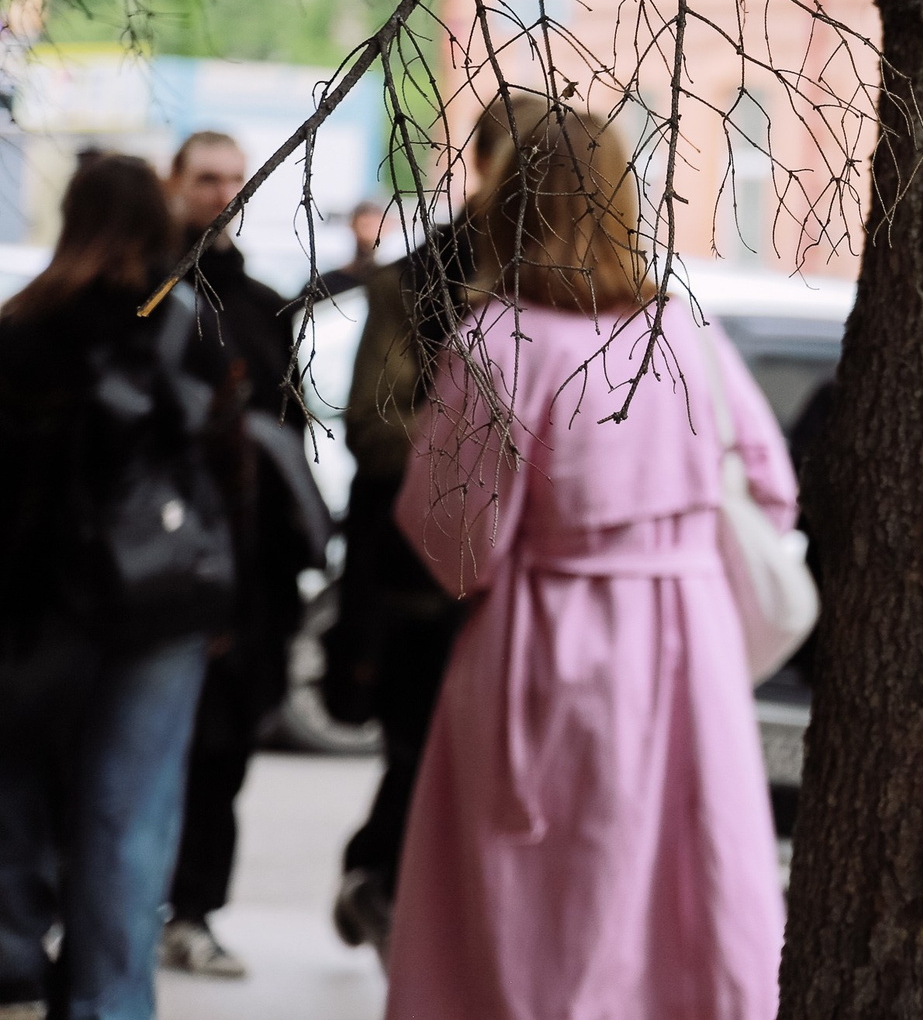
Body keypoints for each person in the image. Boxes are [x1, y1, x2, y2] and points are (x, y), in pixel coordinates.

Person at [385, 107, 796, 1020]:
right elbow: (768, 487)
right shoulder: (679, 329)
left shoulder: (500, 342)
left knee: (540, 915)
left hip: (553, 649)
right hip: (692, 647)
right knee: (681, 899)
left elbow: (458, 541)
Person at [0, 156, 232, 1020]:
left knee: (16, 791)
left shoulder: (23, 327)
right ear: (156, 224)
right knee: (127, 824)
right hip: (159, 603)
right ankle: (110, 1003)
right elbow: (226, 466)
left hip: (37, 603)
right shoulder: (184, 326)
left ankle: (14, 975)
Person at [326, 93, 546, 955]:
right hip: (429, 582)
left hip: (531, 590)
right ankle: (383, 887)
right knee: (422, 760)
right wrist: (490, 445)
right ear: (486, 168)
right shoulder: (415, 280)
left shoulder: (572, 290)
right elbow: (377, 430)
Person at [160, 132, 319, 981]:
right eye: (206, 177)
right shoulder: (144, 295)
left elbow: (287, 440)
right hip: (156, 566)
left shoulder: (262, 306)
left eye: (233, 177)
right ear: (174, 184)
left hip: (245, 572)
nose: (221, 191)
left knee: (221, 754)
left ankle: (192, 910)